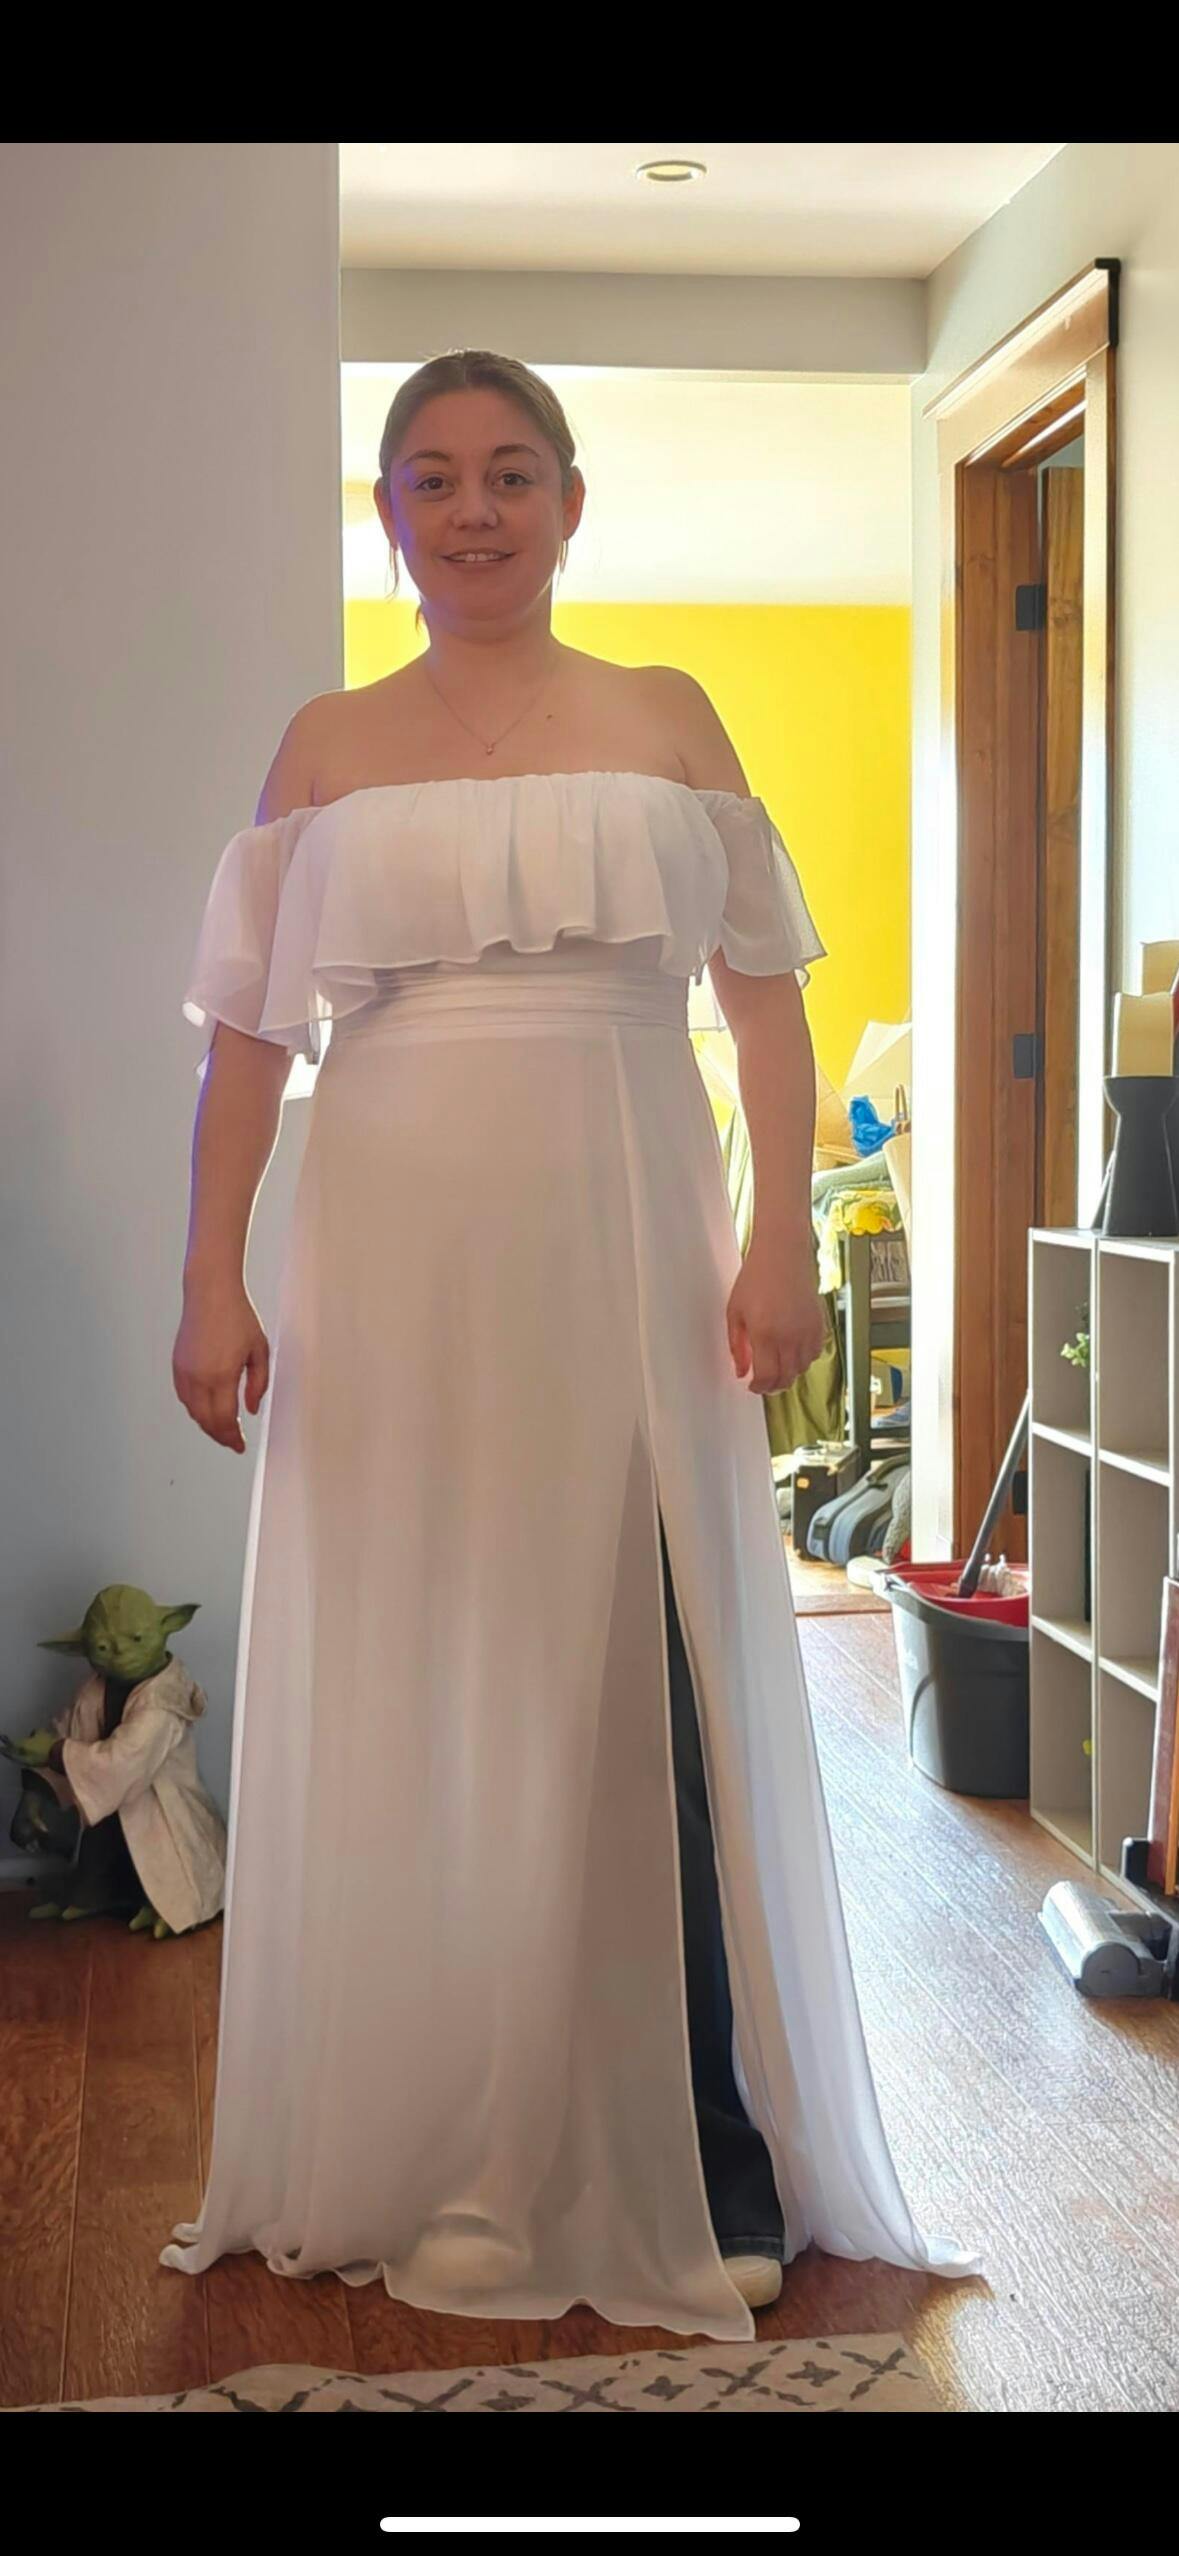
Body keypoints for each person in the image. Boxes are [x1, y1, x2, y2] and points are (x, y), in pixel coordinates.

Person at [164, 350, 979, 2338]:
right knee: (427, 1679)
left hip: (623, 1237)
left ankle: (698, 2154)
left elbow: (767, 1004)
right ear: (387, 513)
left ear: (569, 501)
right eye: (434, 478)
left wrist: (776, 1242)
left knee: (639, 1672)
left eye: (511, 472)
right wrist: (210, 1282)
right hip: (391, 1261)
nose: (475, 509)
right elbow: (248, 1046)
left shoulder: (663, 711)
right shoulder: (325, 744)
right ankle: (445, 2137)